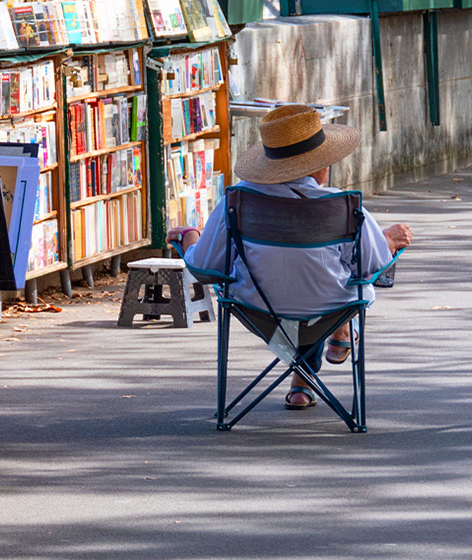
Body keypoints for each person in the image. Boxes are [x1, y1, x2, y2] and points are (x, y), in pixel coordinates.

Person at [167, 105, 413, 410]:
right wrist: (386, 240)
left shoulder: (238, 200)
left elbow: (205, 267)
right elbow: (371, 265)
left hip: (257, 308)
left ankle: (302, 381)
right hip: (330, 308)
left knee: (298, 284)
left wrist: (190, 236)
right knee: (326, 290)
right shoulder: (341, 206)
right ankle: (340, 333)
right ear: (316, 165)